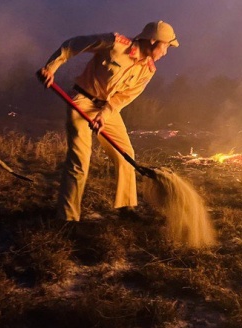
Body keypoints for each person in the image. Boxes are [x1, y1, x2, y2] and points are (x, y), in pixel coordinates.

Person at [37, 21, 179, 222]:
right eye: (165, 46)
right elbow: (73, 45)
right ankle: (68, 218)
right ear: (153, 40)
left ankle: (126, 207)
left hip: (107, 108)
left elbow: (123, 98)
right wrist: (51, 68)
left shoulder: (148, 70)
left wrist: (103, 116)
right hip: (82, 100)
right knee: (80, 160)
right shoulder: (115, 43)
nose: (165, 52)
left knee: (125, 154)